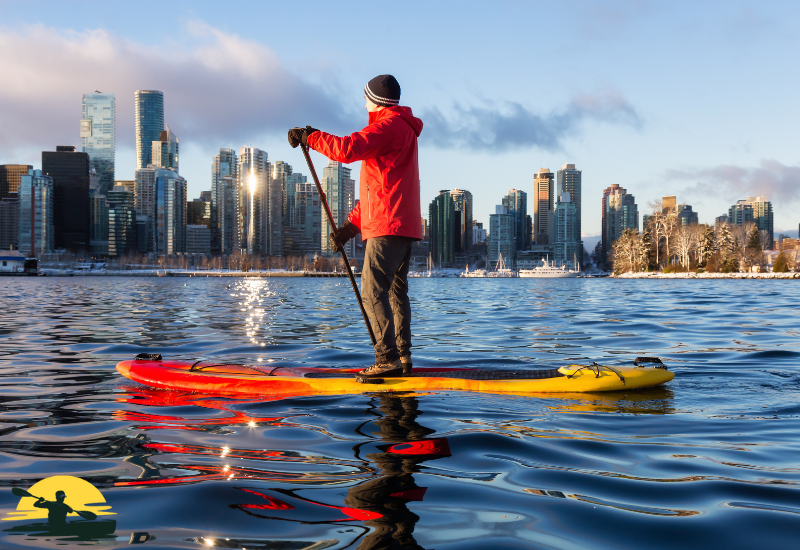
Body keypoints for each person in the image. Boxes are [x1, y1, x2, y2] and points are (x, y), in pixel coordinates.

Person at [289, 74, 423, 378]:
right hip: (401, 224)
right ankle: (402, 357)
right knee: (395, 294)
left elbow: (347, 149)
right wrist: (351, 226)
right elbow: (381, 187)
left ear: (376, 99)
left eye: (366, 97)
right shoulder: (402, 129)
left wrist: (310, 136)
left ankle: (386, 359)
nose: (363, 102)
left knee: (373, 292)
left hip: (387, 226)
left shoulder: (387, 126)